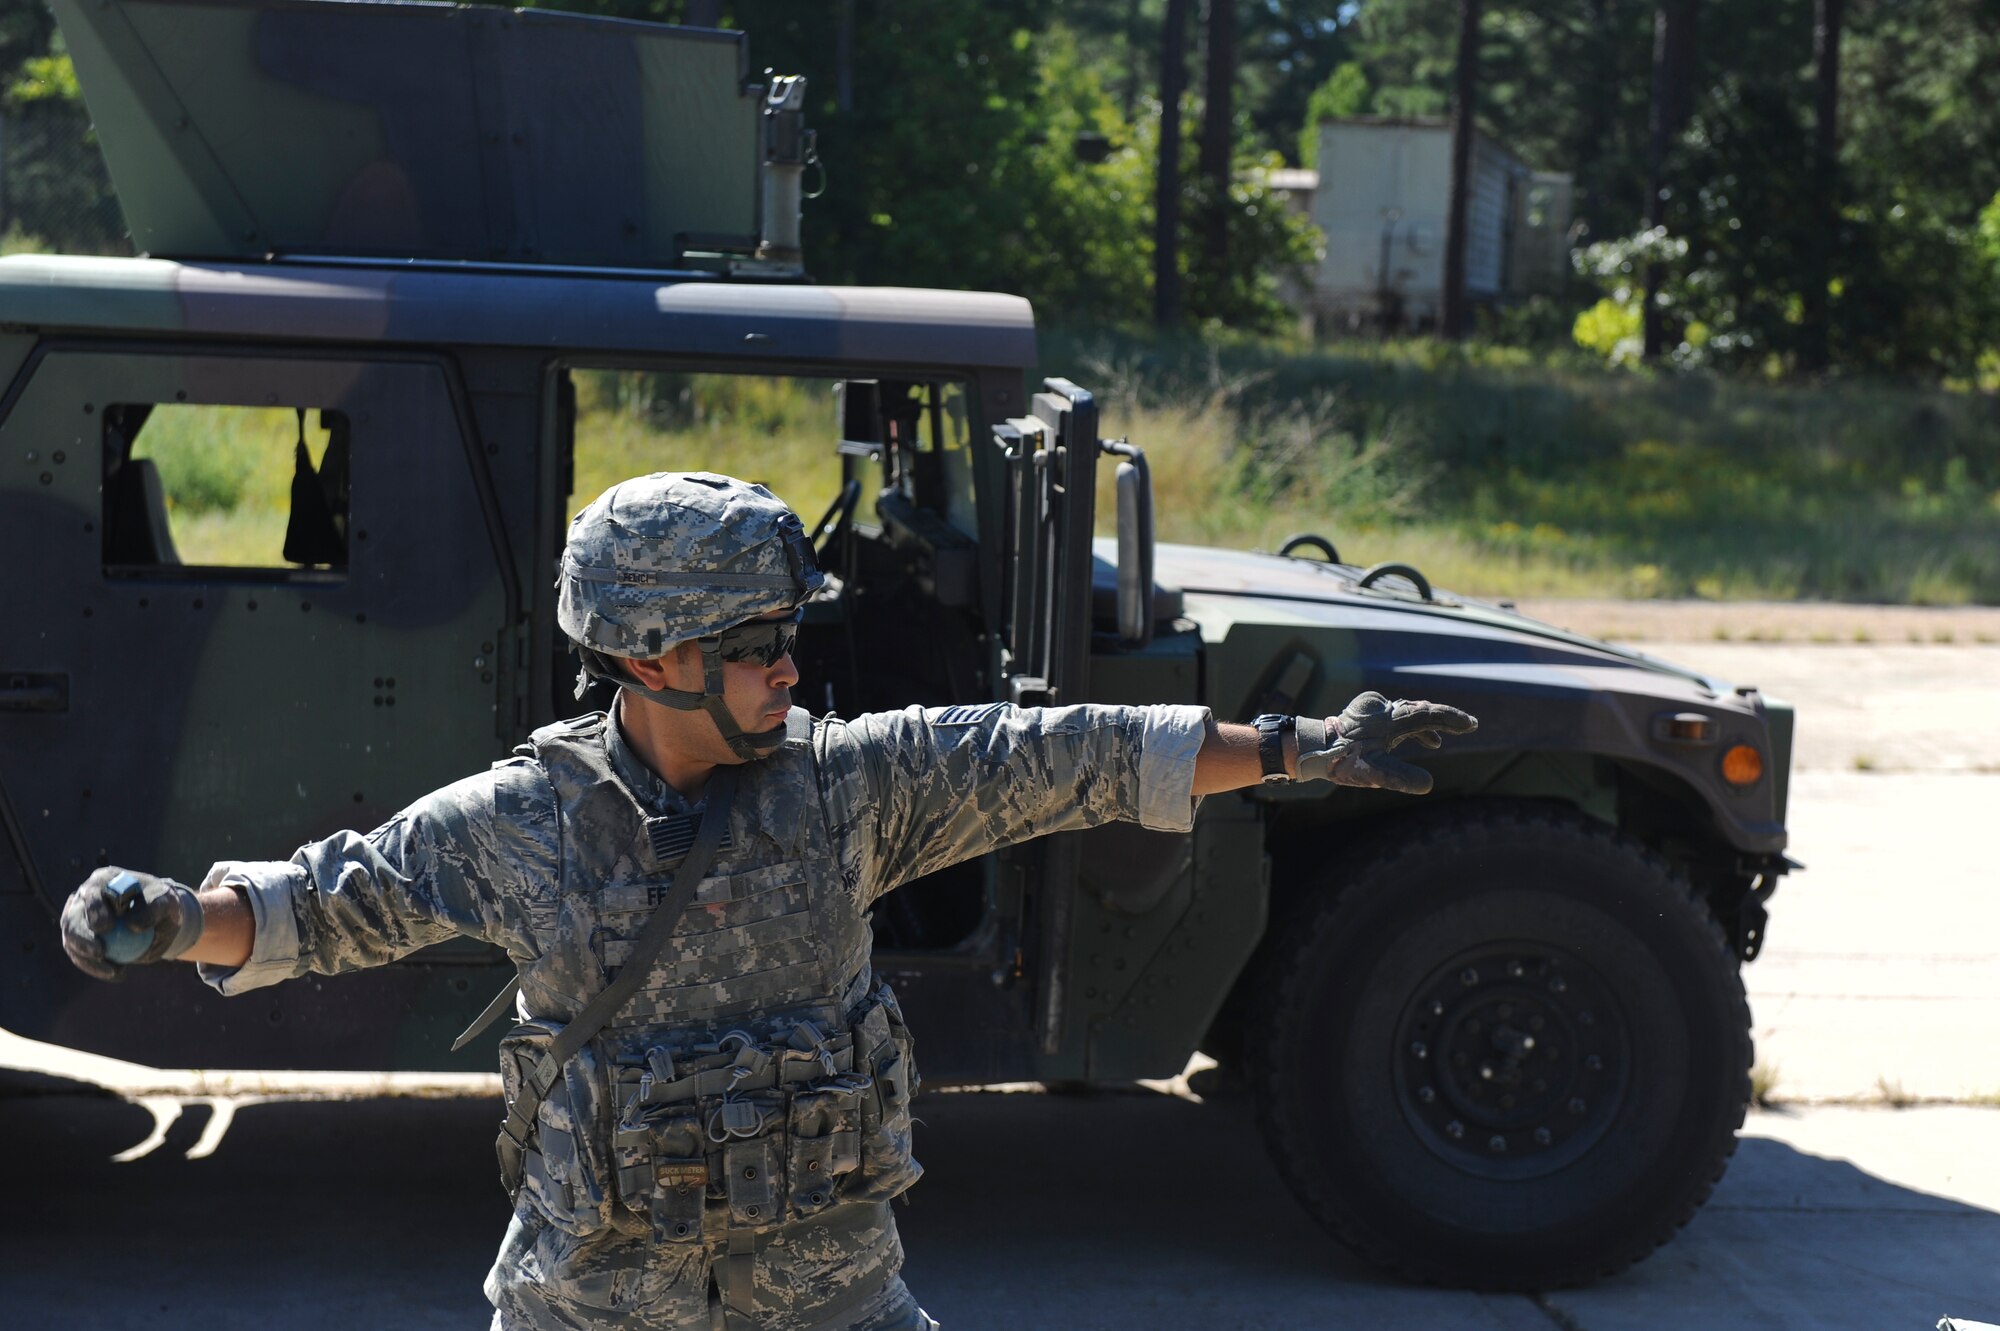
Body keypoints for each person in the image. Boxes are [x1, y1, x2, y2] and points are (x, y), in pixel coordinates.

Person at [60, 472, 1477, 1331]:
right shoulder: (522, 827)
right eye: (754, 646)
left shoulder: (849, 791)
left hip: (831, 1296)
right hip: (598, 1303)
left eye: (788, 636)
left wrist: (1300, 749)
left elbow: (1068, 758)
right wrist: (179, 918)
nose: (789, 669)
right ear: (651, 657)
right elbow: (329, 906)